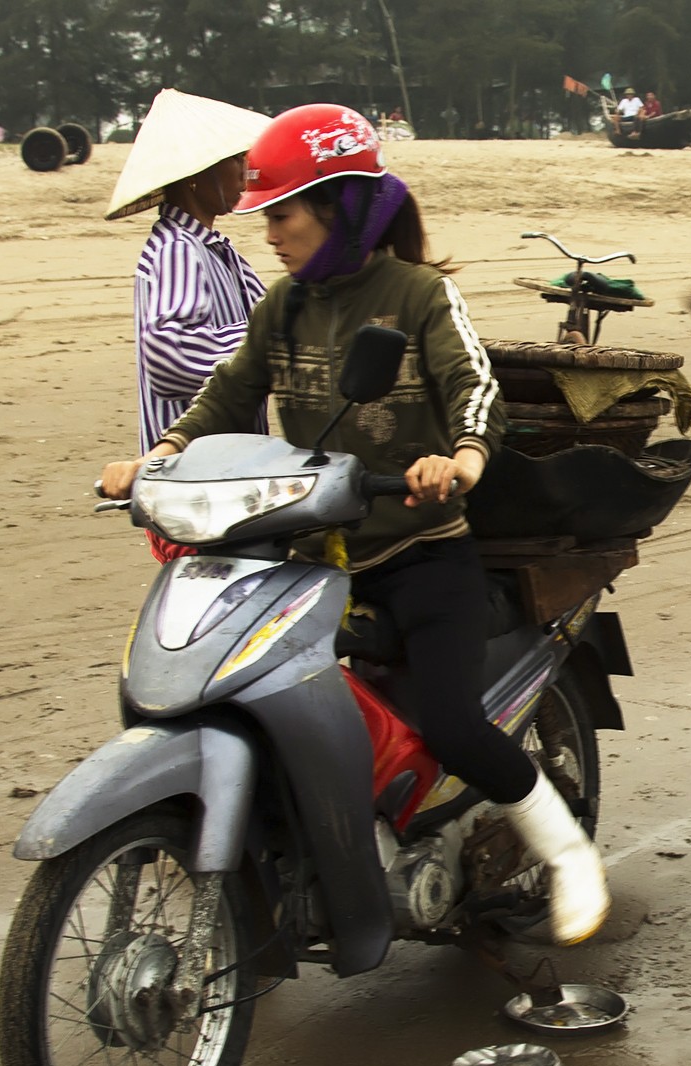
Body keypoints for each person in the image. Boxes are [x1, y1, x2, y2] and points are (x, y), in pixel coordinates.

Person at [97, 105, 609, 945]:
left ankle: (566, 852)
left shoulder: (417, 294)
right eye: (265, 213)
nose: (269, 231)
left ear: (340, 208)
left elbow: (471, 386)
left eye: (285, 212)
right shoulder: (287, 305)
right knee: (254, 690)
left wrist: (463, 460)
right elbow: (225, 394)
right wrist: (160, 454)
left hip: (420, 554)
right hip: (312, 559)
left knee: (449, 721)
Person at [103, 89, 272, 562]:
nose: (244, 172)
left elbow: (277, 321)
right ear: (197, 176)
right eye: (234, 162)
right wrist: (261, 355)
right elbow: (168, 356)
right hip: (195, 486)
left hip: (226, 478)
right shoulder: (179, 248)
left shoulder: (217, 250)